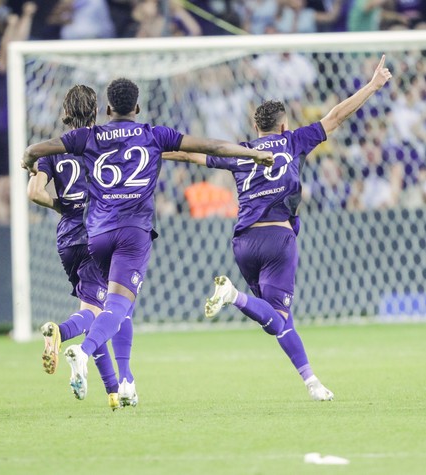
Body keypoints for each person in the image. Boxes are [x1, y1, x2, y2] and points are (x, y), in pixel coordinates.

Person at [21, 78, 274, 402]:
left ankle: (120, 387)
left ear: (109, 109)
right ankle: (86, 353)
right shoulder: (153, 134)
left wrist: (30, 164)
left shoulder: (89, 137)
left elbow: (33, 153)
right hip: (132, 233)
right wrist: (251, 153)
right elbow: (212, 146)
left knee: (105, 307)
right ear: (136, 108)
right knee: (116, 307)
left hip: (93, 233)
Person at [164, 55, 393, 401]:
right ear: (283, 126)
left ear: (255, 129)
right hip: (277, 239)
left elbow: (190, 155)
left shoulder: (239, 151)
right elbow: (336, 116)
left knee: (278, 320)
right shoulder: (294, 141)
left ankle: (312, 382)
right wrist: (374, 85)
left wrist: (151, 151)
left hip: (243, 243)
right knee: (277, 315)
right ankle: (233, 297)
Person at [26, 85, 124, 410]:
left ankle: (112, 390)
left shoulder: (53, 150)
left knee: (94, 309)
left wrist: (61, 206)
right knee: (98, 312)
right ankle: (60, 332)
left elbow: (34, 194)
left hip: (67, 237)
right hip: (99, 233)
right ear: (95, 112)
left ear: (64, 113)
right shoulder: (104, 144)